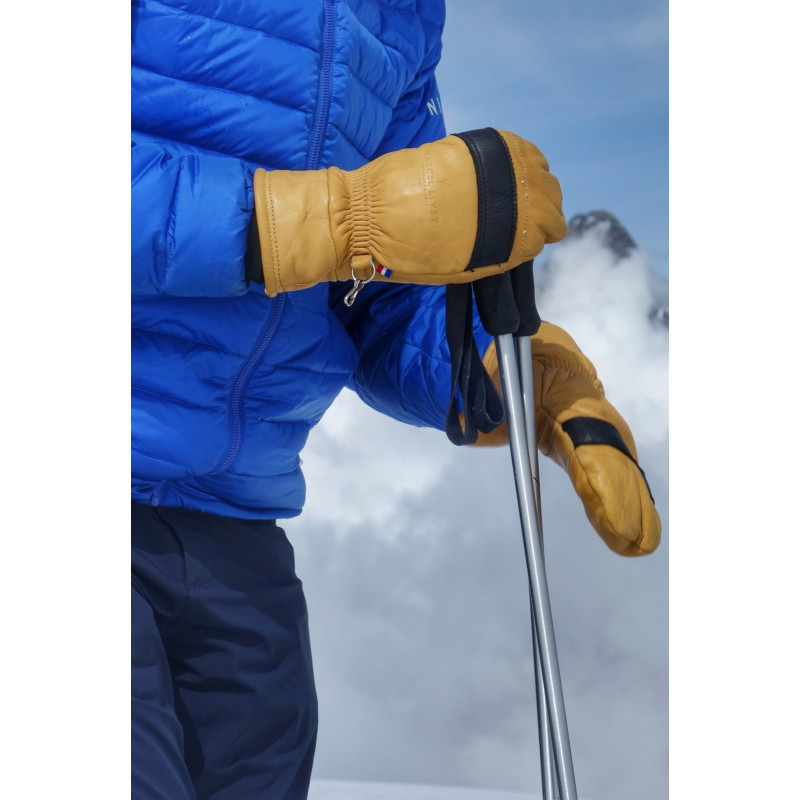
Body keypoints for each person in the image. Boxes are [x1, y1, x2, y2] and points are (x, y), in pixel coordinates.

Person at [131, 1, 662, 797]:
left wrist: (495, 373)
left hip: (236, 528)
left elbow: (370, 287)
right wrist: (337, 218)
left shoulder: (399, 18)